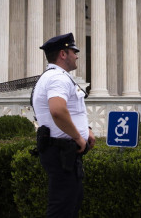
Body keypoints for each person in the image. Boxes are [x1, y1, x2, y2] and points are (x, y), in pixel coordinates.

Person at [32, 33, 96, 217]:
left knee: (69, 204)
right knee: (61, 209)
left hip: (63, 152)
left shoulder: (55, 77)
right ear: (62, 54)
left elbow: (73, 111)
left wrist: (87, 130)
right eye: (73, 51)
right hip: (61, 152)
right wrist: (78, 137)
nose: (76, 55)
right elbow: (58, 110)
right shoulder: (57, 78)